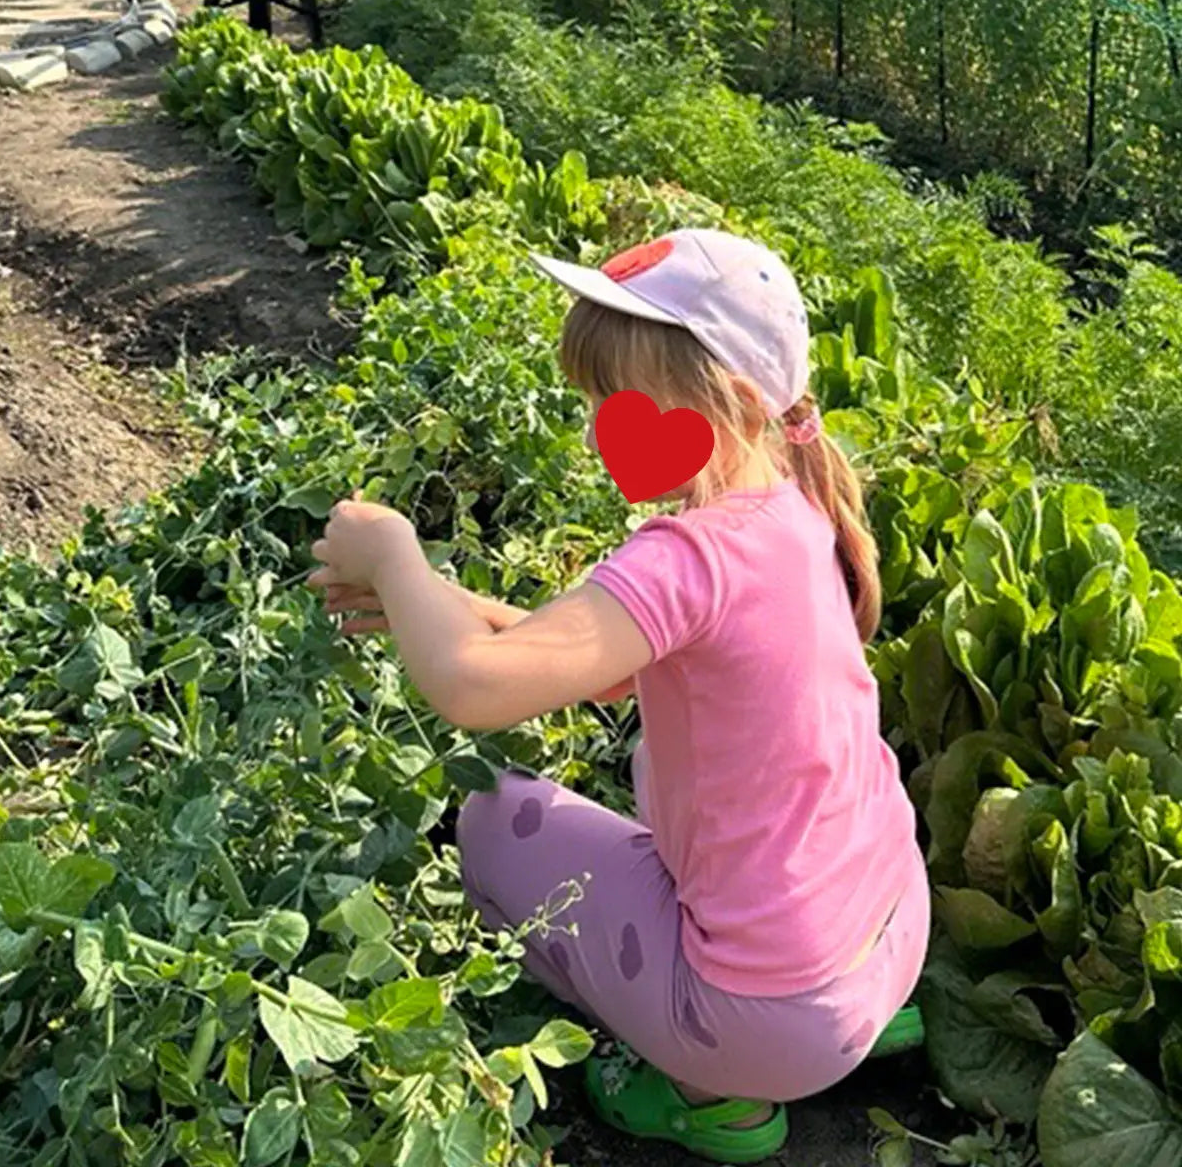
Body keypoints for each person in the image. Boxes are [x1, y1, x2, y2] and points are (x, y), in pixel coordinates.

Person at [307, 228, 931, 1165]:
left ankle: (709, 1096)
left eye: (627, 399)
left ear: (734, 401)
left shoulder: (688, 556)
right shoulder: (795, 511)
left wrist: (395, 552)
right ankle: (849, 1032)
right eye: (601, 402)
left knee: (492, 817)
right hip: (888, 932)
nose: (608, 427)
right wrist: (427, 603)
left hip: (761, 1018)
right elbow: (598, 662)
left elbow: (473, 691)